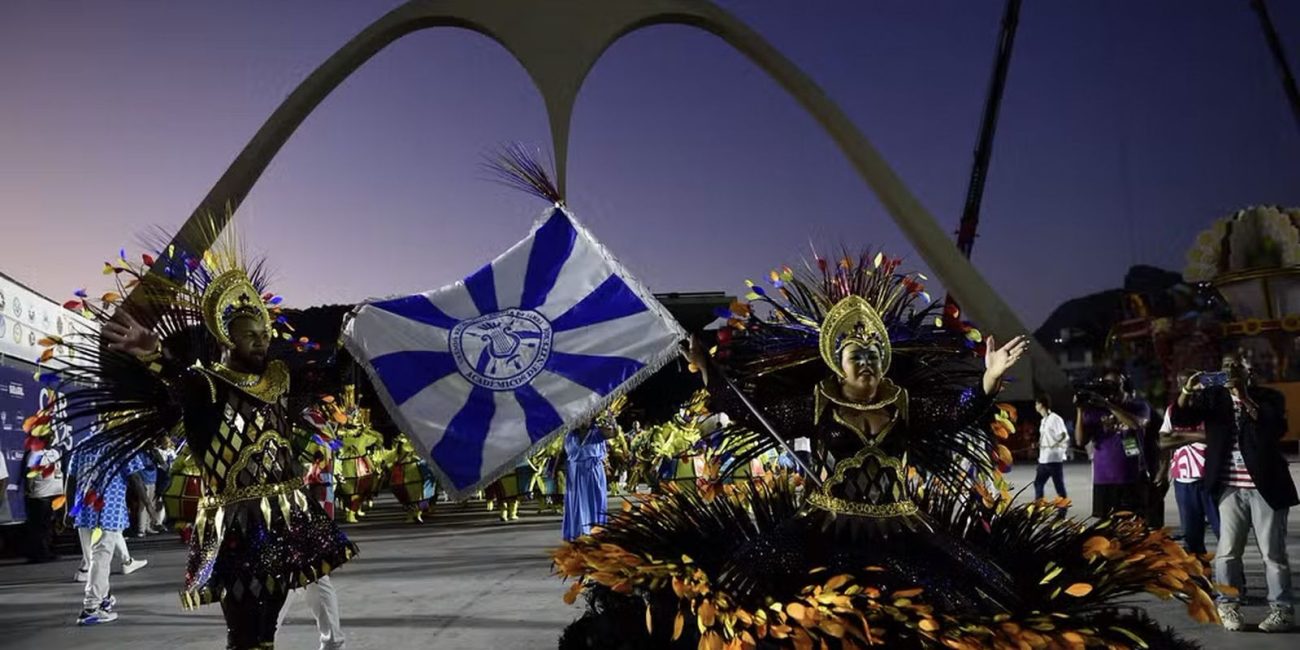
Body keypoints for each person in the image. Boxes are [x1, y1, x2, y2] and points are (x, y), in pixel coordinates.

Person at [555, 252, 1215, 648]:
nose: (867, 358)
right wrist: (708, 373)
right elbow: (753, 409)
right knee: (747, 583)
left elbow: (954, 416)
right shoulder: (817, 404)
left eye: (874, 351)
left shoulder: (902, 404)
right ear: (835, 360)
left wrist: (987, 380)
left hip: (902, 523)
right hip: (825, 518)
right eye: (856, 352)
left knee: (979, 592)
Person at [41, 240, 357, 649]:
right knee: (245, 633)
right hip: (239, 529)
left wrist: (355, 337)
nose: (261, 341)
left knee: (268, 628)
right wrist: (152, 352)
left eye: (264, 334)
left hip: (289, 518)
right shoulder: (204, 386)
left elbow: (330, 375)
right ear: (226, 337)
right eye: (250, 336)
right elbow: (175, 377)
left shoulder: (279, 380)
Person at [1173, 352, 1297, 633]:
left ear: (1248, 371)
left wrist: (1243, 396)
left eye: (1236, 366)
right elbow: (1182, 418)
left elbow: (1274, 429)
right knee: (1227, 553)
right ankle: (1228, 606)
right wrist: (1187, 391)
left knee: (1273, 554)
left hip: (1266, 487)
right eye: (1226, 366)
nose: (1230, 370)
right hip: (1229, 488)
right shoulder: (1213, 398)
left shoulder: (1269, 397)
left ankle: (1282, 611)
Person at [69, 441, 148, 625]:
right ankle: (91, 608)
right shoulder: (122, 446)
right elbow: (136, 479)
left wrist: (69, 510)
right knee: (100, 561)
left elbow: (70, 479)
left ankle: (104, 598)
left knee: (93, 559)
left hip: (84, 512)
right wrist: (149, 507)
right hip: (108, 513)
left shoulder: (83, 445)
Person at [1074, 370, 1153, 518]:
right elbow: (1080, 441)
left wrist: (1108, 405)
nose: (1110, 390)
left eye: (1114, 385)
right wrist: (1080, 411)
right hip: (1103, 479)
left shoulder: (1138, 406)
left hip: (1131, 478)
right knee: (1106, 527)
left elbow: (1136, 424)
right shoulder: (1096, 410)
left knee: (1133, 525)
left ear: (1125, 387)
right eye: (1107, 385)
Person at [1159, 371, 1218, 556]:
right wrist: (1163, 470)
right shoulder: (1172, 411)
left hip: (1212, 479)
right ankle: (1201, 574)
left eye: (1196, 383)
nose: (1193, 388)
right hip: (1184, 482)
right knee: (1192, 540)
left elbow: (1214, 437)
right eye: (1186, 384)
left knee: (1224, 534)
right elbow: (1163, 442)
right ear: (1180, 386)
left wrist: (1179, 436)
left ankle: (1231, 574)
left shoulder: (1211, 409)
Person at [558, 415, 618, 541]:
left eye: (585, 417)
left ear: (591, 418)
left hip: (593, 472)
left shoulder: (598, 432)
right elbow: (561, 453)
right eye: (580, 417)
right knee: (575, 503)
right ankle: (577, 533)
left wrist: (611, 420)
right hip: (574, 472)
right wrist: (554, 470)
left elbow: (614, 433)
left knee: (594, 501)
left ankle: (595, 533)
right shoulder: (569, 434)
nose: (582, 420)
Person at [22, 443, 64, 563]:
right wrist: (29, 490)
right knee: (38, 526)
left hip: (54, 494)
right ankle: (38, 554)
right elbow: (30, 473)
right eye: (48, 437)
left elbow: (58, 471)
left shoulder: (55, 453)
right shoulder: (35, 453)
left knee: (48, 525)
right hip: (40, 495)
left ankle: (47, 551)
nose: (51, 440)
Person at [1032, 394, 1069, 503]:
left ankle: (1062, 509)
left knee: (1058, 485)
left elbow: (1063, 434)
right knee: (1038, 483)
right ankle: (1039, 507)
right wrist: (1038, 444)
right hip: (1044, 458)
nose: (1035, 406)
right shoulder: (1043, 420)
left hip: (1053, 458)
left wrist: (1054, 443)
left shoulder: (1055, 418)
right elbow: (1046, 437)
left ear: (1041, 405)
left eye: (1036, 404)